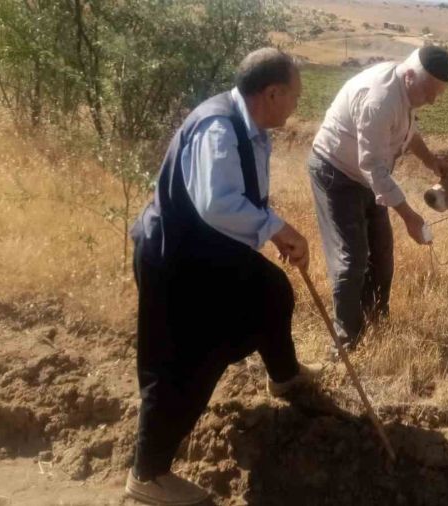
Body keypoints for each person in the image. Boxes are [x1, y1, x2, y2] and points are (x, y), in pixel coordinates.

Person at [126, 47, 320, 505]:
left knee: (272, 291)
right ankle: (147, 475)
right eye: (294, 97)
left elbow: (239, 198)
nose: (296, 107)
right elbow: (216, 204)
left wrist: (271, 230)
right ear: (272, 94)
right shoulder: (219, 128)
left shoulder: (247, 125)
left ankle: (285, 376)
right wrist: (276, 227)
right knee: (187, 362)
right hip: (177, 258)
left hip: (207, 251)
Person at [308, 46, 448, 352]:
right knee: (352, 260)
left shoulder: (407, 89)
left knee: (382, 254)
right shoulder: (380, 98)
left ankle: (375, 322)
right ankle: (346, 342)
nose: (432, 100)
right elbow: (372, 166)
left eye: (438, 94)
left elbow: (407, 132)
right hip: (337, 173)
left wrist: (432, 162)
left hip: (366, 175)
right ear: (411, 76)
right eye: (431, 91)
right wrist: (409, 216)